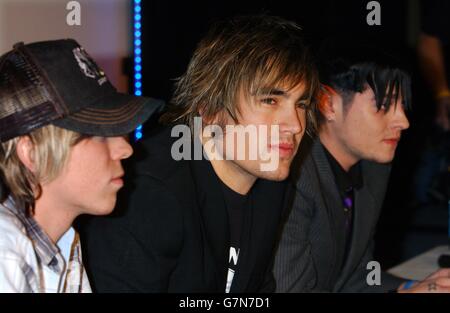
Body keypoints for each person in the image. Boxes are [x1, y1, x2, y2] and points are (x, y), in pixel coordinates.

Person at [79, 15, 319, 293]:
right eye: (270, 100)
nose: (295, 125)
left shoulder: (272, 184)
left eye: (301, 104)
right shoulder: (148, 193)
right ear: (209, 108)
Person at [273, 39, 450, 293]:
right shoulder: (294, 178)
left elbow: (354, 279)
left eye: (402, 105)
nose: (403, 121)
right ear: (327, 104)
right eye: (384, 105)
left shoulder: (371, 168)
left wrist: (416, 287)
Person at [0, 39, 162, 292]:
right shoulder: (4, 255)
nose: (126, 149)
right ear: (31, 153)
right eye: (97, 134)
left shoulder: (65, 242)